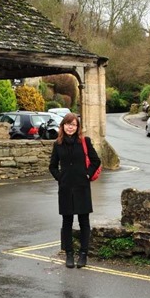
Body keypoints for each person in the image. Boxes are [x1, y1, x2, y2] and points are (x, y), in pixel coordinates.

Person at [49, 112, 101, 269]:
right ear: (63, 126)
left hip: (82, 186)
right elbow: (52, 166)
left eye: (73, 125)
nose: (70, 127)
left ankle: (83, 254)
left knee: (84, 222)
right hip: (65, 188)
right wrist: (60, 178)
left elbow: (96, 161)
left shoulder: (84, 141)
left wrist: (87, 174)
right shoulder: (57, 144)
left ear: (77, 127)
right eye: (67, 124)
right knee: (67, 222)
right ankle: (69, 255)